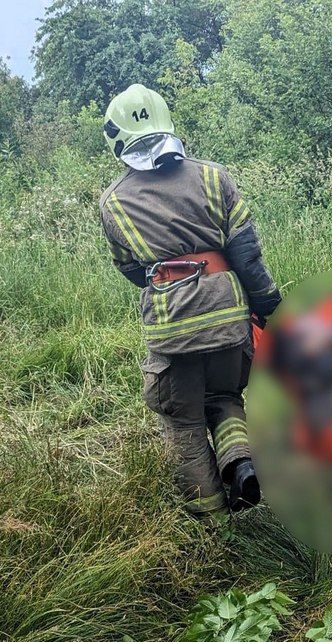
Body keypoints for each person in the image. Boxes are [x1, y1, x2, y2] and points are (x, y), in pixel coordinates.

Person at [98, 84, 282, 520]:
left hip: (171, 326)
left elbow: (128, 268)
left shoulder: (113, 202)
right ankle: (240, 461)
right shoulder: (215, 178)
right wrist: (269, 306)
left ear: (116, 136)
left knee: (183, 421)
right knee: (224, 395)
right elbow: (247, 255)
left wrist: (167, 280)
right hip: (228, 317)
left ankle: (213, 525)